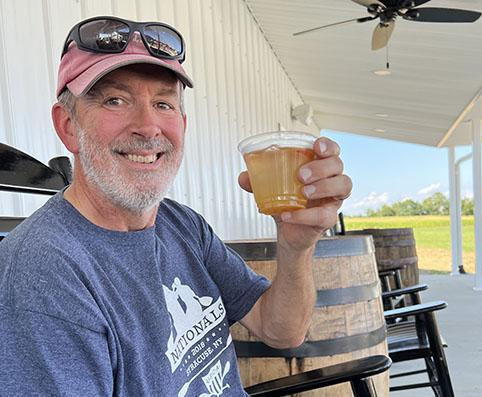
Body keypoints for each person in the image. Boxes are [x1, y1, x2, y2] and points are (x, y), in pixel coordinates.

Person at [0, 16, 352, 396]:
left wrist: (296, 246)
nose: (149, 126)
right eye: (115, 100)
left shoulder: (181, 223)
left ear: (182, 123)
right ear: (68, 125)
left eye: (164, 103)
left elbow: (281, 329)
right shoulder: (43, 273)